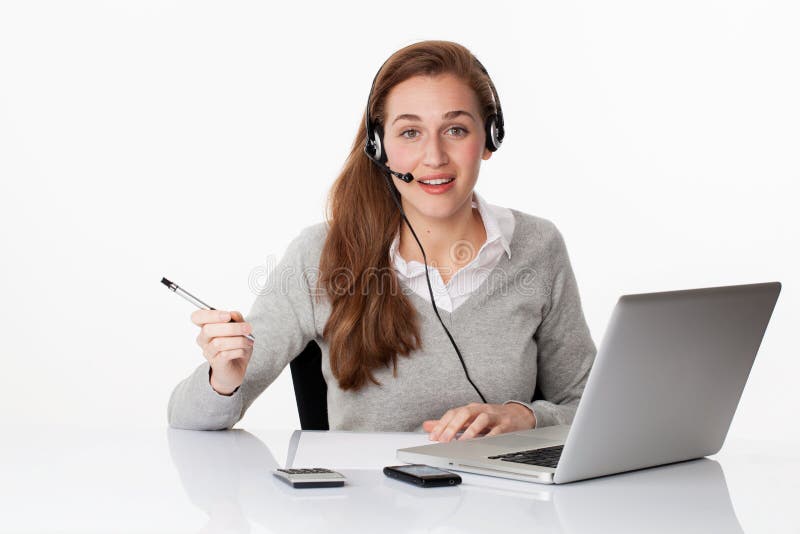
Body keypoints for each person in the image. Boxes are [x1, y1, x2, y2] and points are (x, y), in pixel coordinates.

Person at [168, 40, 596, 443]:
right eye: (410, 132)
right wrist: (222, 379)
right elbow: (186, 419)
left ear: (490, 139)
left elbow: (589, 407)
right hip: (369, 511)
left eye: (456, 130)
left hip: (506, 511)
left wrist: (526, 417)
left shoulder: (539, 247)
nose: (434, 157)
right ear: (379, 146)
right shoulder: (320, 255)